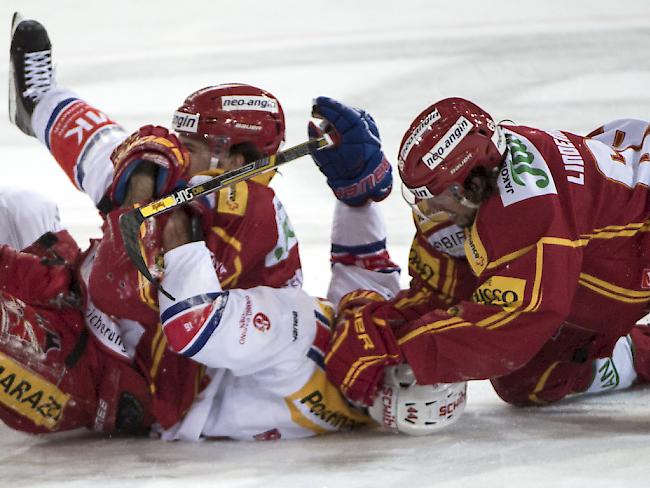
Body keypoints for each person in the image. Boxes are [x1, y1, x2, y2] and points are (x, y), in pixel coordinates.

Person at [4, 14, 468, 439]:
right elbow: (366, 283)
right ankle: (41, 103)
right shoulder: (349, 342)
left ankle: (43, 105)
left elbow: (127, 287)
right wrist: (357, 197)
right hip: (95, 307)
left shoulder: (293, 318)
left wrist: (143, 187)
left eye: (198, 142)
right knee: (23, 208)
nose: (185, 149)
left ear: (238, 158)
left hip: (108, 372)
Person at [322, 96, 650, 408]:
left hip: (637, 239)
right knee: (528, 379)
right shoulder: (471, 196)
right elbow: (443, 295)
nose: (429, 209)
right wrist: (384, 324)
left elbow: (513, 323)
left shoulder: (527, 208)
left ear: (470, 184)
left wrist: (397, 349)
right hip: (615, 256)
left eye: (436, 196)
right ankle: (638, 353)